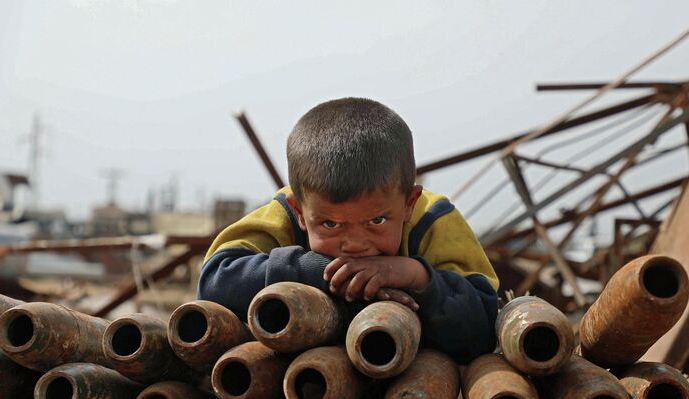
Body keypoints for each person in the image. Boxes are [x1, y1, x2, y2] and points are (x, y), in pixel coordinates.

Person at [198, 98, 499, 364]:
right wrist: (318, 271)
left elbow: (482, 329)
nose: (355, 245)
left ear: (409, 203)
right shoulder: (286, 214)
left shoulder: (432, 219)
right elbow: (214, 282)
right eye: (330, 224)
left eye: (377, 221)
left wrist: (416, 277)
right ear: (301, 213)